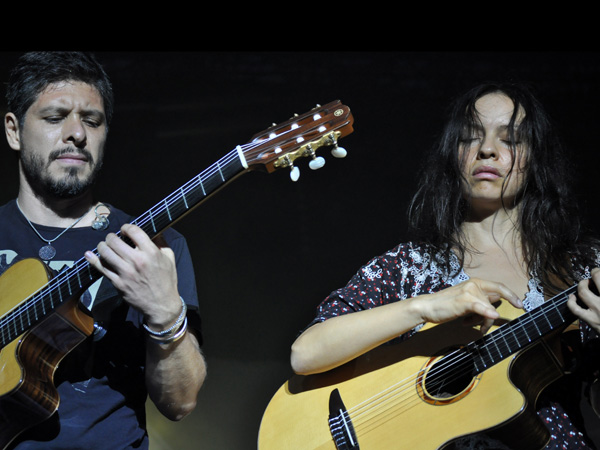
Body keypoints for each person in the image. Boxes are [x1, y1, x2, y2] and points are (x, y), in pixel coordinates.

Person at [290, 82, 600, 449]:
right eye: (470, 137)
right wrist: (425, 306)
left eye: (511, 140)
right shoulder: (410, 266)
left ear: (536, 159)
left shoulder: (583, 268)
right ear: (453, 155)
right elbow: (305, 353)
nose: (487, 149)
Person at [0, 52, 206, 449]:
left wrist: (165, 313)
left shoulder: (153, 248)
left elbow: (180, 403)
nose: (76, 133)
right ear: (13, 130)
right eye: (55, 117)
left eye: (91, 121)